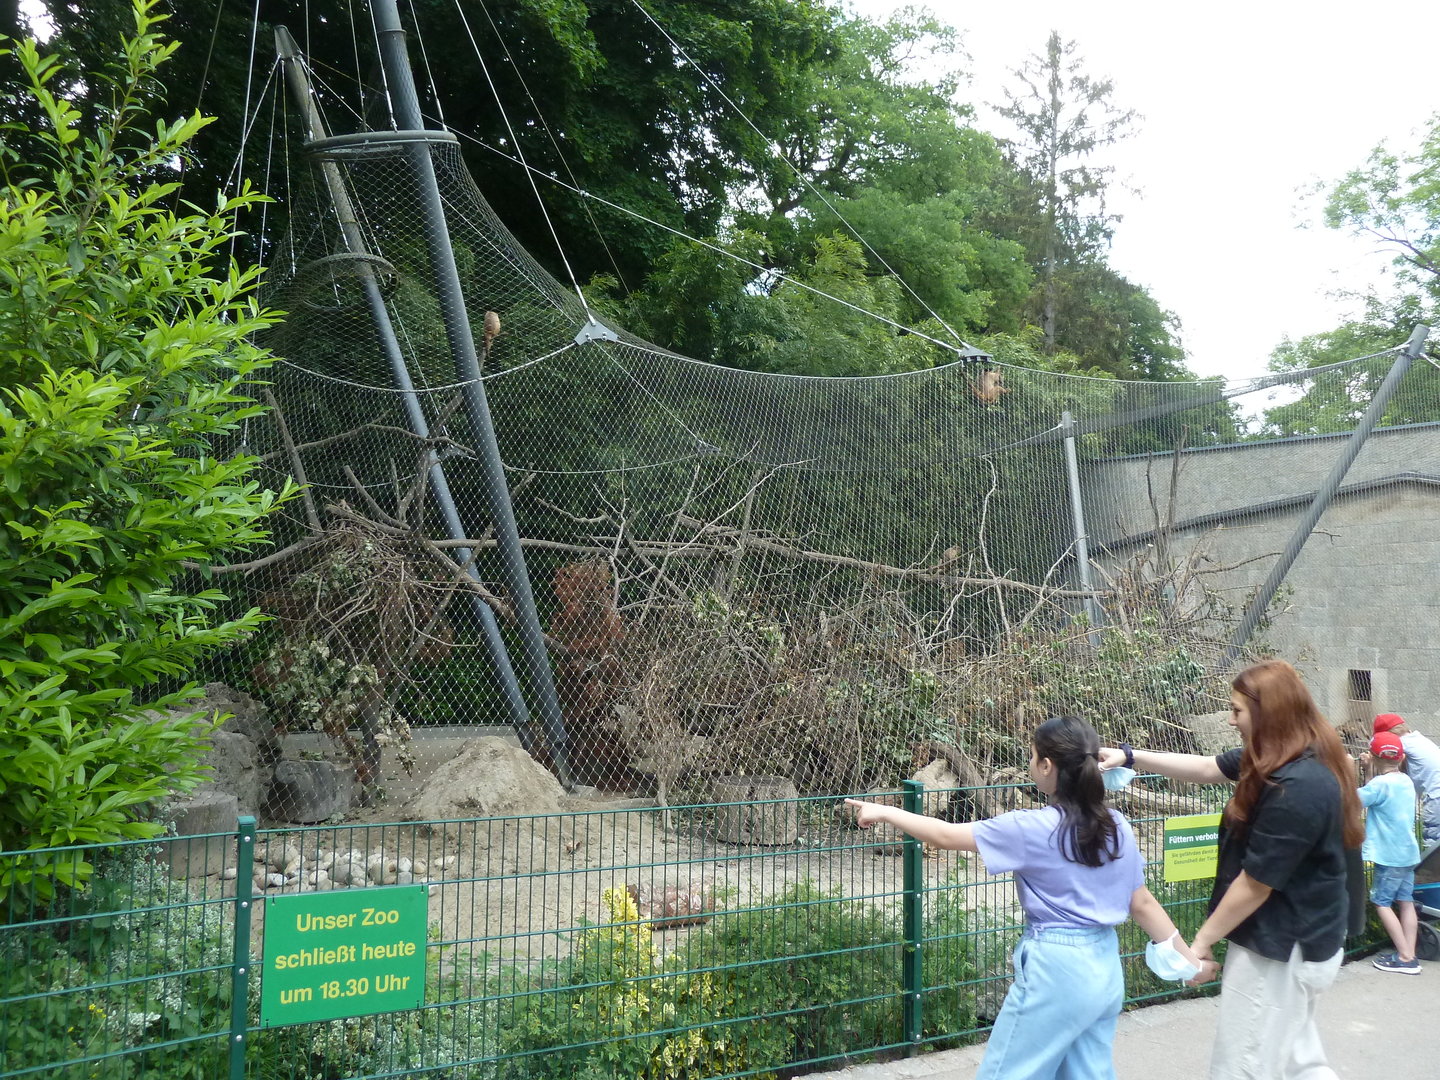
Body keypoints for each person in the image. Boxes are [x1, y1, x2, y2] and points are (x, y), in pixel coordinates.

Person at [846, 715, 1197, 1080]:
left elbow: (946, 836)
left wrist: (885, 810)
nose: (1029, 763)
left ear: (1046, 766)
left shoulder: (1029, 828)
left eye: (1031, 756)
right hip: (1105, 969)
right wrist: (1189, 961)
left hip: (1056, 972)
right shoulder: (1118, 826)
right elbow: (1141, 903)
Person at [1098, 658, 1364, 1080]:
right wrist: (1131, 757)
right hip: (1299, 942)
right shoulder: (1284, 754)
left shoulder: (1298, 787)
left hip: (1278, 949)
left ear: (1266, 712)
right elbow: (1206, 768)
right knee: (1299, 1063)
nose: (1230, 719)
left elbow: (1256, 884)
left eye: (1237, 710)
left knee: (1242, 1066)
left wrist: (1200, 943)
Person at [1357, 730, 1422, 974]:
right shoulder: (1406, 781)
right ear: (1401, 757)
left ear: (1372, 756)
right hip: (1408, 855)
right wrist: (1372, 772)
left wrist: (1365, 771)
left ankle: (1405, 958)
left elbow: (1354, 801)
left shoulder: (1378, 785)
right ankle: (1410, 953)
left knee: (1382, 903)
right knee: (1405, 902)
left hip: (1389, 856)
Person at [1371, 712, 1440, 847]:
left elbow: (1375, 746)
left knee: (1432, 842)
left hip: (1436, 797)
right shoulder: (1418, 738)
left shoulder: (1402, 742)